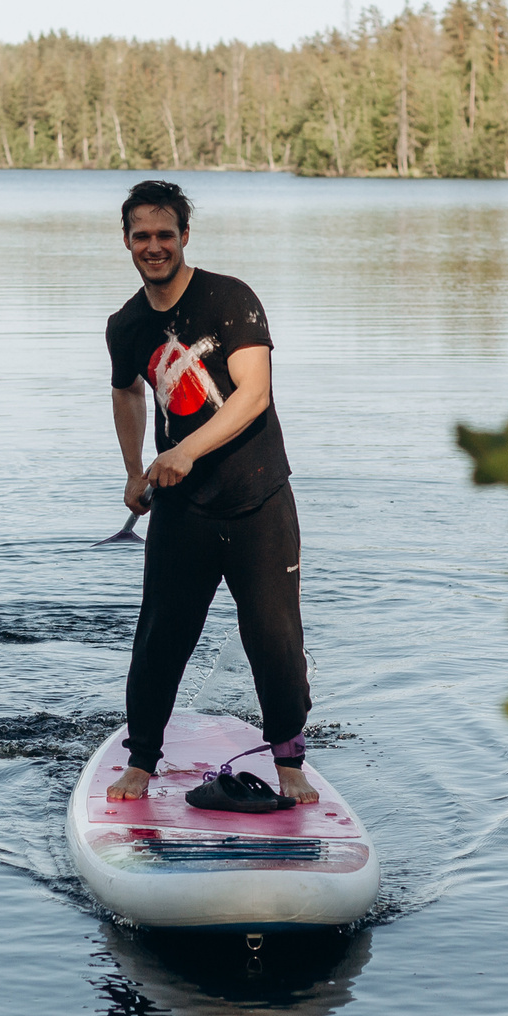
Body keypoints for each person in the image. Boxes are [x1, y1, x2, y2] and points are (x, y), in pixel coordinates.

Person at [103, 181, 314, 804]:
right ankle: (141, 760)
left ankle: (290, 764)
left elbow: (254, 394)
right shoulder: (127, 325)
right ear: (126, 242)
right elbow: (126, 392)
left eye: (165, 234)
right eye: (141, 236)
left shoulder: (230, 299)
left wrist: (185, 451)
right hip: (182, 513)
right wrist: (135, 470)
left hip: (257, 500)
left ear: (185, 237)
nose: (154, 246)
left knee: (274, 638)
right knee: (159, 636)